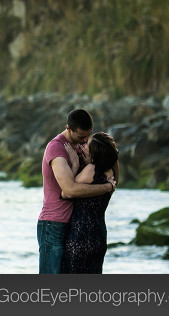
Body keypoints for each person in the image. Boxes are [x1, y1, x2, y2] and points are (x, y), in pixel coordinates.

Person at [37, 109, 116, 274]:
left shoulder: (85, 146)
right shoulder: (57, 148)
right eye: (81, 137)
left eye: (88, 136)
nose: (85, 141)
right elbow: (69, 191)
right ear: (68, 128)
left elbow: (105, 161)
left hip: (76, 226)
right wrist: (108, 187)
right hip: (54, 223)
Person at [61, 132, 119, 273]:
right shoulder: (111, 172)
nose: (84, 144)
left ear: (93, 154)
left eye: (87, 144)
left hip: (81, 234)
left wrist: (74, 164)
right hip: (99, 235)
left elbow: (66, 193)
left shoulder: (90, 170)